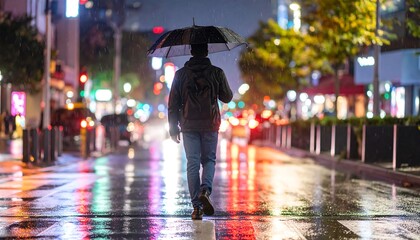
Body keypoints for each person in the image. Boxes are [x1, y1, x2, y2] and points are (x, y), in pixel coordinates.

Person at [167, 43, 233, 220]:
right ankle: (205, 190)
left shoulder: (180, 75)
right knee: (209, 160)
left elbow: (173, 104)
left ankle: (197, 208)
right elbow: (227, 96)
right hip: (210, 124)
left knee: (193, 163)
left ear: (191, 52)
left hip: (188, 125)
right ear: (206, 52)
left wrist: (173, 128)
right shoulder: (216, 72)